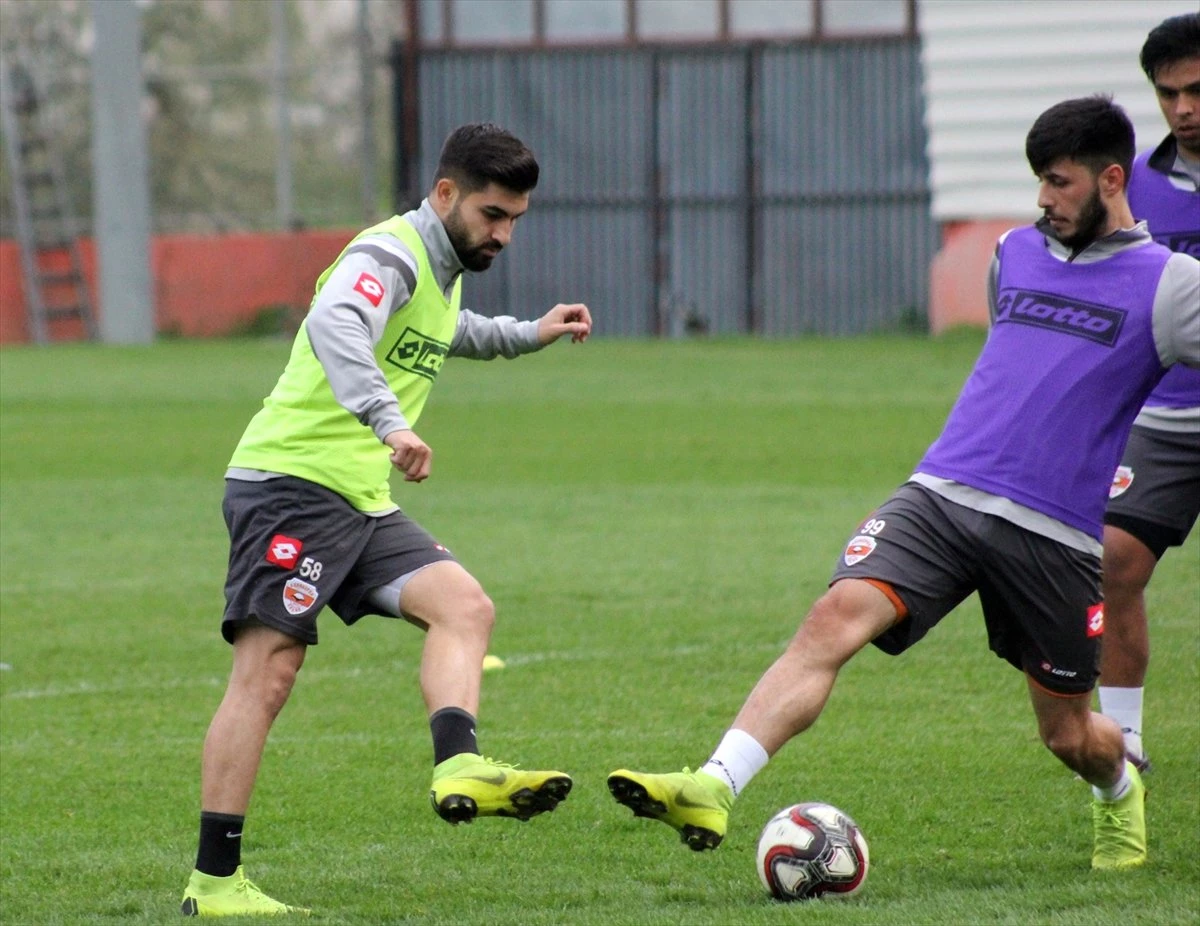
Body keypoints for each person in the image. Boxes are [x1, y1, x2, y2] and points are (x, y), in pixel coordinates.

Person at [607, 96, 1200, 871]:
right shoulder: (1013, 254)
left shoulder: (1170, 285)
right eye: (1038, 183)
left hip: (1053, 536)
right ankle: (712, 784)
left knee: (1068, 736)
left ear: (1111, 178)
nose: (1043, 201)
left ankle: (1118, 788)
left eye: (1058, 183)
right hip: (942, 493)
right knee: (832, 619)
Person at [181, 123, 592, 917]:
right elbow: (338, 323)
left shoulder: (442, 266)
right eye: (492, 215)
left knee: (464, 607)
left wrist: (527, 334)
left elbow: (442, 334)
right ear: (444, 195)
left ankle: (457, 767)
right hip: (290, 486)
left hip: (359, 499)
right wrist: (388, 420)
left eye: (514, 219)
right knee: (267, 674)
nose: (503, 233)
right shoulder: (389, 254)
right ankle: (213, 882)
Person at [1098, 12, 1200, 774]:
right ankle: (1124, 747)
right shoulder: (1131, 184)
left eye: (1196, 91)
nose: (1184, 109)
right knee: (1112, 564)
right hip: (1164, 417)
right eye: (1168, 94)